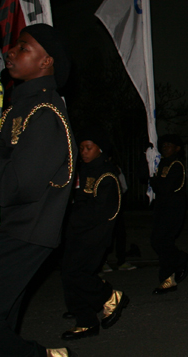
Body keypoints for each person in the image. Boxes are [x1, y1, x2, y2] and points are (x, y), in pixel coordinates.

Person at [0, 24, 77, 357]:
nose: (10, 52)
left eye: (23, 48)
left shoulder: (46, 114)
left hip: (25, 235)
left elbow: (15, 186)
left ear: (46, 62)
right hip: (4, 232)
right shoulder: (19, 110)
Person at [60, 126, 128, 340]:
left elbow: (102, 212)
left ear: (100, 149)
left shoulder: (107, 175)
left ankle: (109, 295)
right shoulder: (86, 170)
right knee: (68, 273)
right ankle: (85, 318)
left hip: (94, 236)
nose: (84, 152)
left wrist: (71, 218)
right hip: (77, 233)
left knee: (77, 273)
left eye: (89, 147)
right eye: (81, 148)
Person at [150, 134, 188, 295]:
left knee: (162, 241)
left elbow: (165, 188)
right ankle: (180, 259)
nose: (165, 147)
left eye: (169, 144)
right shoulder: (161, 163)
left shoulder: (176, 164)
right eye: (164, 144)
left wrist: (154, 182)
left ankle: (168, 279)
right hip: (162, 208)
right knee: (157, 241)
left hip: (173, 210)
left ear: (177, 148)